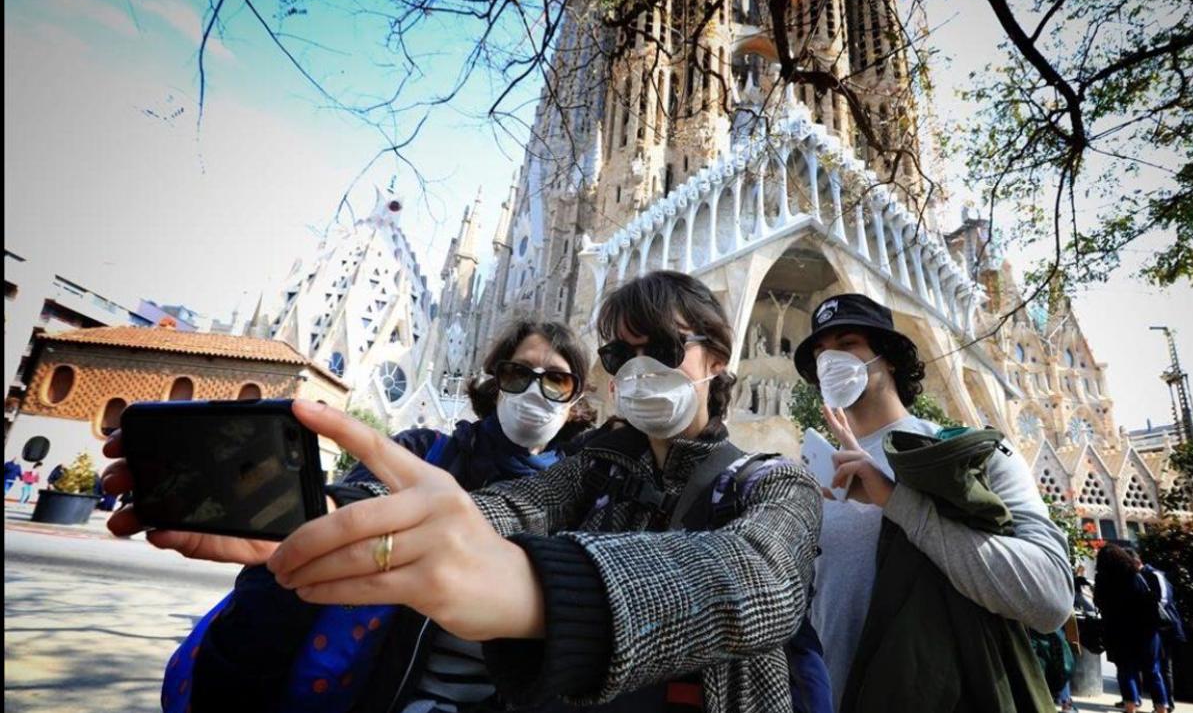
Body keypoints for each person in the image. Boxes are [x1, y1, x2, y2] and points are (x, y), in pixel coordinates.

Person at [107, 273, 824, 712]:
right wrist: (328, 518)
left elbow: (760, 581)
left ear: (716, 359)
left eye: (659, 350)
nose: (636, 371)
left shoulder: (770, 482)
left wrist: (542, 589)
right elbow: (507, 508)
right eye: (618, 355)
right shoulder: (590, 473)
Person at [106, 319, 597, 711]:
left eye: (557, 379)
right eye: (519, 373)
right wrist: (317, 516)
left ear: (576, 400)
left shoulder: (579, 497)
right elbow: (355, 502)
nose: (536, 391)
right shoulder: (422, 453)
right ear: (496, 383)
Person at [791, 293, 1074, 708]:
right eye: (819, 353)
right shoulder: (814, 474)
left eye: (847, 344)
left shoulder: (968, 455)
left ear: (888, 358)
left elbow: (1049, 598)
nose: (829, 361)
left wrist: (895, 501)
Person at [1095, 543, 1171, 713]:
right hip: (1145, 630)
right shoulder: (1134, 576)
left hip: (1117, 631)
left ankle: (1130, 707)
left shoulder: (1102, 579)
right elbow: (1149, 600)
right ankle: (1161, 708)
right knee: (1153, 670)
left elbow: (1098, 602)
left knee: (1125, 670)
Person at [1131, 547, 1186, 711]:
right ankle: (1139, 699)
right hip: (1150, 626)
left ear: (1135, 561)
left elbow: (1164, 599)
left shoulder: (1154, 574)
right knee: (1150, 665)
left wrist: (1148, 613)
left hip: (1165, 627)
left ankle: (1167, 702)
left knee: (1163, 665)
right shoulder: (1138, 576)